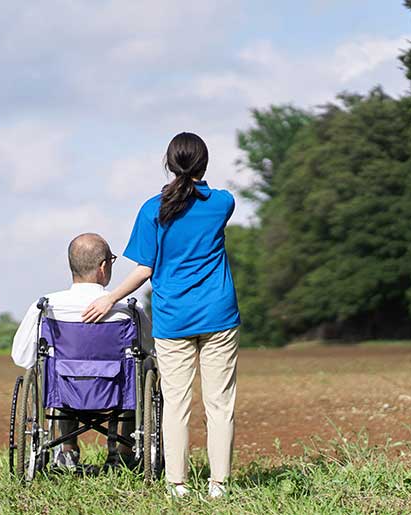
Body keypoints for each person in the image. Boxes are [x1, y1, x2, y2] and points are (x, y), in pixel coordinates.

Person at [82, 132, 240, 499]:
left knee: (177, 402)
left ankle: (177, 484)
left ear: (169, 164)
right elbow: (205, 198)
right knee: (220, 403)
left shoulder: (152, 209)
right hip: (218, 314)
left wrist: (109, 299)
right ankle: (219, 485)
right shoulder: (223, 203)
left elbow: (143, 270)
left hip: (174, 319)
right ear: (204, 163)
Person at [11, 233, 153, 470]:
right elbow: (152, 348)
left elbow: (21, 355)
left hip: (66, 392)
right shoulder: (127, 308)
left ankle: (67, 450)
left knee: (54, 368)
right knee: (143, 365)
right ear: (104, 266)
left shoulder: (47, 306)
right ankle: (124, 450)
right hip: (117, 391)